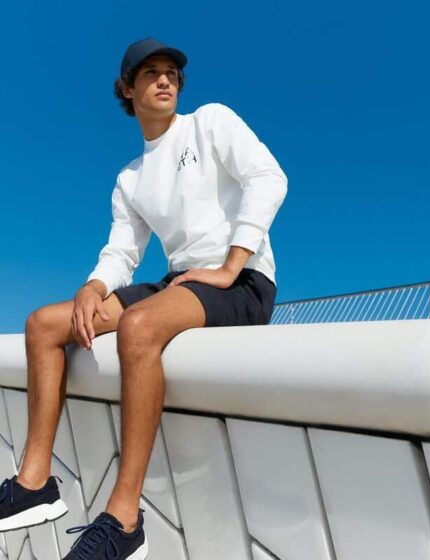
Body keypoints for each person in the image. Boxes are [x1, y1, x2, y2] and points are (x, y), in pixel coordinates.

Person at [0, 37, 287, 559]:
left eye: (172, 74)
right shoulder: (130, 179)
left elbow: (268, 176)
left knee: (137, 328)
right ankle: (34, 484)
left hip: (241, 282)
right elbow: (122, 250)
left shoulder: (210, 122)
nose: (165, 80)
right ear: (127, 90)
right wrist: (93, 285)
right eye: (151, 73)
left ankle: (124, 520)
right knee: (44, 323)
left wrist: (232, 262)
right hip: (178, 281)